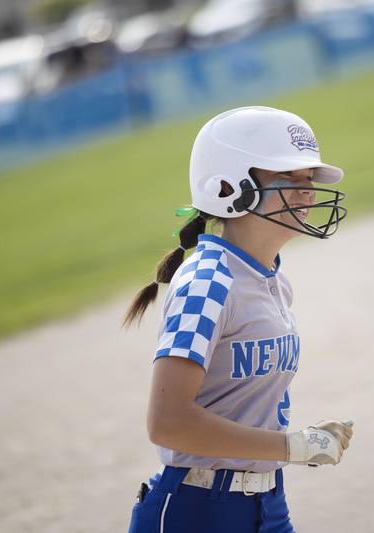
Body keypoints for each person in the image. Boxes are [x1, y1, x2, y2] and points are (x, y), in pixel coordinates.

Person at [123, 106, 354, 533]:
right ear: (230, 187)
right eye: (288, 178)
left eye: (309, 180)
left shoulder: (272, 279)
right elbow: (167, 422)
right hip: (199, 511)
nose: (307, 193)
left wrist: (293, 442)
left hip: (267, 503)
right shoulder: (207, 282)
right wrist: (294, 445)